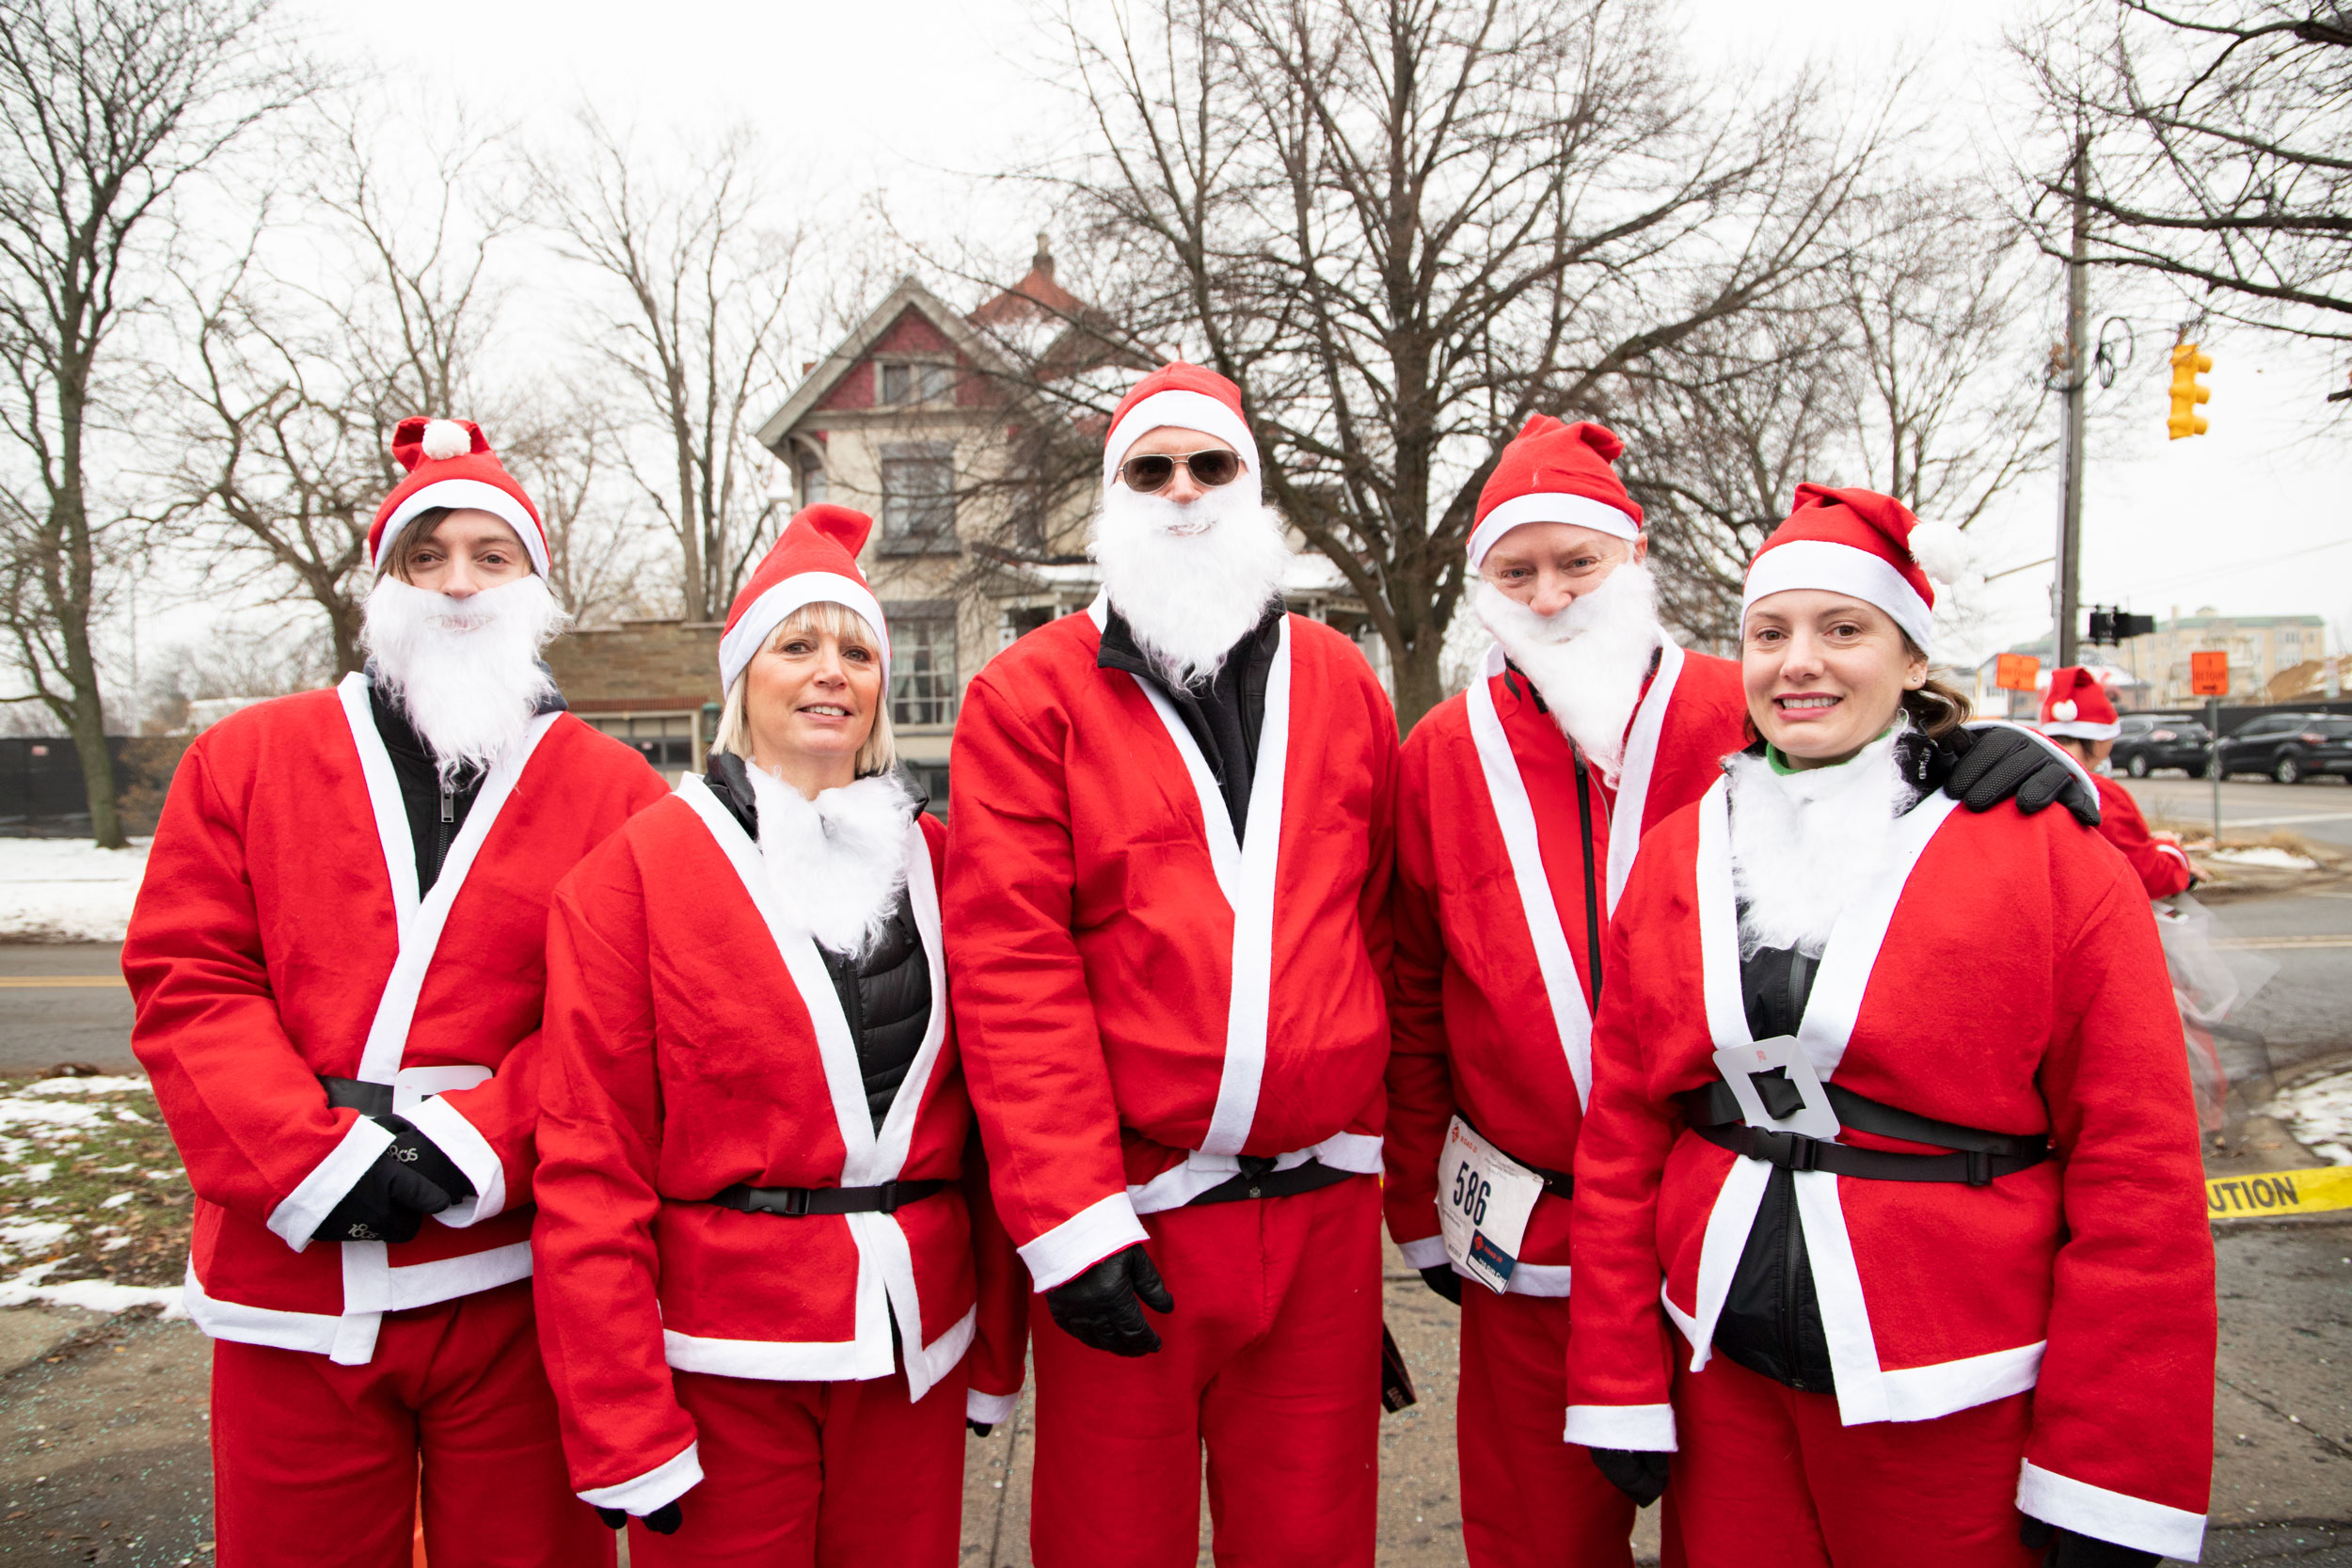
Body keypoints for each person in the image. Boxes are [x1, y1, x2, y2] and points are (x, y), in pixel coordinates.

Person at [1384, 420, 2113, 1567]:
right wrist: (1417, 1203)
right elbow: (1416, 990)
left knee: (1741, 1524)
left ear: (1635, 558)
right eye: (1515, 571)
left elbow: (1890, 771)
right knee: (1534, 1536)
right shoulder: (1434, 750)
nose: (1549, 594)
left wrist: (2002, 755)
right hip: (1530, 1222)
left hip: (1718, 1218)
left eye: (1578, 561)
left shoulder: (1749, 692)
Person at [1563, 484, 2216, 1568]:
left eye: (1842, 629)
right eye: (1769, 633)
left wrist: (2108, 1467)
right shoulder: (1681, 848)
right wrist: (1617, 1378)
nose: (1798, 662)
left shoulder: (2044, 851)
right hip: (1722, 1378)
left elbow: (2136, 1164)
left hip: (1955, 1390)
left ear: (1912, 656)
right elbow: (1626, 1129)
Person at [123, 418, 669, 1566]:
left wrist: (474, 1144)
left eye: (490, 555)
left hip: (512, 1275)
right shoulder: (244, 757)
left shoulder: (616, 789)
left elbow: (620, 1016)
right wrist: (306, 1157)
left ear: (534, 584)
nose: (459, 583)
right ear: (384, 585)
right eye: (427, 556)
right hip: (288, 1275)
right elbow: (190, 980)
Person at [945, 361, 1399, 1566]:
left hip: (1320, 1215)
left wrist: (1377, 1164)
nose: (1183, 490)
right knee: (1111, 1540)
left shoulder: (1343, 681)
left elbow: (1376, 929)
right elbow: (1012, 968)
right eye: (1151, 469)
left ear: (1251, 484)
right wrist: (1069, 1218)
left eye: (1211, 464)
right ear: (1113, 497)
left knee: (1314, 1540)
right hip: (1135, 1211)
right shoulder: (1027, 695)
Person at [531, 505, 1026, 1564]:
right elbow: (588, 1160)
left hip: (912, 1344)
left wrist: (995, 1345)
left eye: (857, 651)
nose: (830, 672)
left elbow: (996, 1125)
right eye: (796, 645)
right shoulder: (630, 875)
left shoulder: (946, 863)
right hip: (723, 1356)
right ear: (741, 677)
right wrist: (622, 1421)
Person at [2038, 667, 2194, 900]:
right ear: (2099, 739)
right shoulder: (2099, 795)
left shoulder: (2023, 780)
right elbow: (2148, 875)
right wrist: (2171, 850)